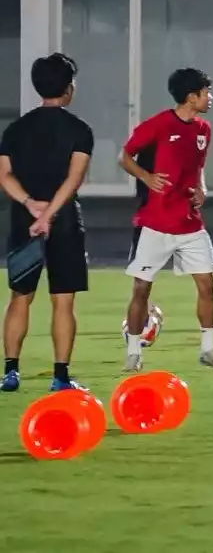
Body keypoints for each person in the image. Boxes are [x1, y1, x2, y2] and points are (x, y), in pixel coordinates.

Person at [118, 68, 213, 372]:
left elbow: (198, 167)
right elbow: (125, 156)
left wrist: (202, 189)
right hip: (154, 222)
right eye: (206, 92)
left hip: (190, 223)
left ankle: (208, 349)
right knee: (141, 289)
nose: (211, 97)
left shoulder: (204, 130)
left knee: (207, 284)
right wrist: (146, 176)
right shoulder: (158, 125)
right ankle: (133, 352)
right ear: (191, 96)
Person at [0, 54, 94, 393]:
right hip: (64, 222)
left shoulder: (15, 129)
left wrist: (31, 207)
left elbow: (4, 176)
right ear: (69, 88)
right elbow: (73, 180)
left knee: (19, 297)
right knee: (63, 301)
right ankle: (60, 376)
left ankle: (10, 372)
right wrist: (50, 214)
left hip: (24, 221)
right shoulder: (80, 130)